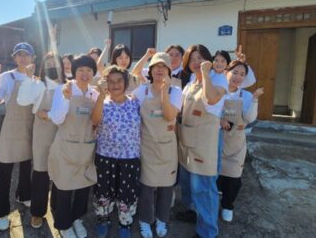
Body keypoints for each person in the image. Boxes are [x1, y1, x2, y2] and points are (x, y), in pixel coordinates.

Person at [177, 45, 228, 238]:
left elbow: (211, 99)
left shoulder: (218, 78)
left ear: (208, 60)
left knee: (204, 187)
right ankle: (194, 212)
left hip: (205, 142)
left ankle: (207, 231)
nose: (196, 63)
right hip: (187, 139)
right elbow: (178, 108)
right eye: (192, 59)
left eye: (200, 58)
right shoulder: (190, 83)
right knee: (188, 183)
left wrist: (206, 73)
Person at [47, 55, 99, 238]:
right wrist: (67, 99)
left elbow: (97, 121)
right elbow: (57, 118)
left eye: (89, 70)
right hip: (66, 147)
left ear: (94, 73)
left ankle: (77, 219)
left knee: (83, 186)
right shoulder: (64, 89)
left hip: (86, 148)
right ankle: (63, 224)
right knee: (63, 186)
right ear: (74, 72)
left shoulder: (95, 94)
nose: (85, 74)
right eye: (81, 70)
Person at [132, 53, 182, 238]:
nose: (160, 70)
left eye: (164, 67)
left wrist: (164, 92)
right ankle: (145, 220)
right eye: (156, 66)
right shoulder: (141, 91)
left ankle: (162, 219)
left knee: (166, 187)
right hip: (146, 145)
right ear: (151, 70)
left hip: (167, 146)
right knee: (146, 187)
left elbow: (170, 116)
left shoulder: (175, 92)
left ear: (169, 70)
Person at [0, 42, 36, 231]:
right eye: (19, 54)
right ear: (14, 57)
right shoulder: (6, 77)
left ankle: (23, 195)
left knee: (26, 166)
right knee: (5, 171)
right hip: (11, 129)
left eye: (27, 54)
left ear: (33, 57)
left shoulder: (36, 77)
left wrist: (32, 80)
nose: (23, 57)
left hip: (29, 128)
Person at [91, 66, 141, 238]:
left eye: (119, 80)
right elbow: (95, 121)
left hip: (130, 156)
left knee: (126, 192)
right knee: (103, 190)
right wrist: (100, 96)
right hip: (105, 156)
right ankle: (103, 219)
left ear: (126, 82)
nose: (115, 84)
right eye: (111, 81)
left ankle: (124, 223)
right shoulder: (102, 102)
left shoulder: (135, 101)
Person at [217, 60, 264, 222]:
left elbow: (250, 118)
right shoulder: (218, 91)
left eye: (242, 74)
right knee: (216, 176)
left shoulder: (247, 95)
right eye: (235, 72)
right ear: (226, 73)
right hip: (217, 140)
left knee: (234, 178)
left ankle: (228, 205)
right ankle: (216, 201)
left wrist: (256, 99)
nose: (238, 77)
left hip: (236, 142)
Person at [16, 55, 60, 229]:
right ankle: (37, 212)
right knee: (41, 173)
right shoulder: (37, 83)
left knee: (59, 172)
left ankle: (57, 207)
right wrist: (28, 78)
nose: (52, 67)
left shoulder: (66, 86)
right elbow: (22, 100)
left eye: (55, 64)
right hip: (42, 131)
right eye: (48, 64)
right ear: (42, 66)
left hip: (61, 131)